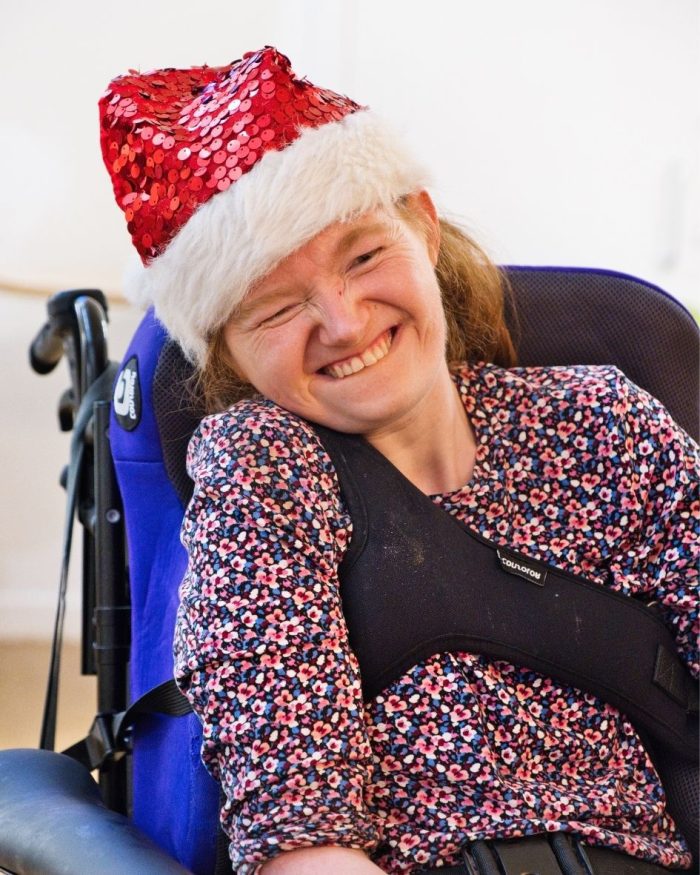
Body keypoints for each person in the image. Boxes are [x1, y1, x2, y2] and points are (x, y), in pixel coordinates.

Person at [99, 47, 698, 874]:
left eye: (364, 256)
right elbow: (299, 843)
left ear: (421, 220)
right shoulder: (261, 468)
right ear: (229, 351)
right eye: (277, 306)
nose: (343, 324)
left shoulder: (601, 419)